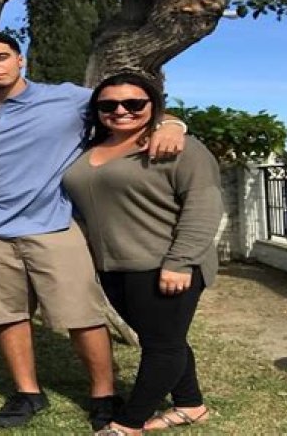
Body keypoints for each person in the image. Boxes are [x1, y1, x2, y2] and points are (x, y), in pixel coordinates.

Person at [0, 30, 187, 430]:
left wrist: (172, 123)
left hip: (56, 225)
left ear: (19, 59)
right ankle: (28, 392)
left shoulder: (67, 98)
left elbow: (128, 105)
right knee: (8, 315)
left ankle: (103, 394)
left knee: (83, 315)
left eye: (0, 56)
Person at [63, 72, 223, 434]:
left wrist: (180, 262)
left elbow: (203, 205)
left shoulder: (178, 147)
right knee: (163, 339)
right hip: (113, 266)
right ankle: (191, 405)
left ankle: (127, 423)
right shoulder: (89, 147)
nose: (121, 110)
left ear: (154, 106)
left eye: (134, 103)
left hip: (164, 263)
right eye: (108, 104)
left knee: (161, 347)